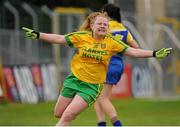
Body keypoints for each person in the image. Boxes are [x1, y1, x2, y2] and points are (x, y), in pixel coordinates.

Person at [22, 12, 172, 126]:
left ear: (108, 28)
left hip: (91, 87)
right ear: (92, 25)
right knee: (58, 113)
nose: (102, 26)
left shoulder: (111, 42)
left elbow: (133, 51)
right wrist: (38, 35)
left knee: (66, 116)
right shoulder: (81, 37)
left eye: (105, 25)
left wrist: (153, 53)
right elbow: (60, 38)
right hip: (73, 80)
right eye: (99, 24)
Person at [94, 4, 139, 126]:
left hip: (105, 64)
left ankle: (117, 124)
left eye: (102, 12)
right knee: (97, 95)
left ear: (106, 14)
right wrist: (121, 50)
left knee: (102, 98)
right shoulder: (124, 29)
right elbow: (136, 48)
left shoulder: (103, 27)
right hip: (118, 64)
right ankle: (101, 123)